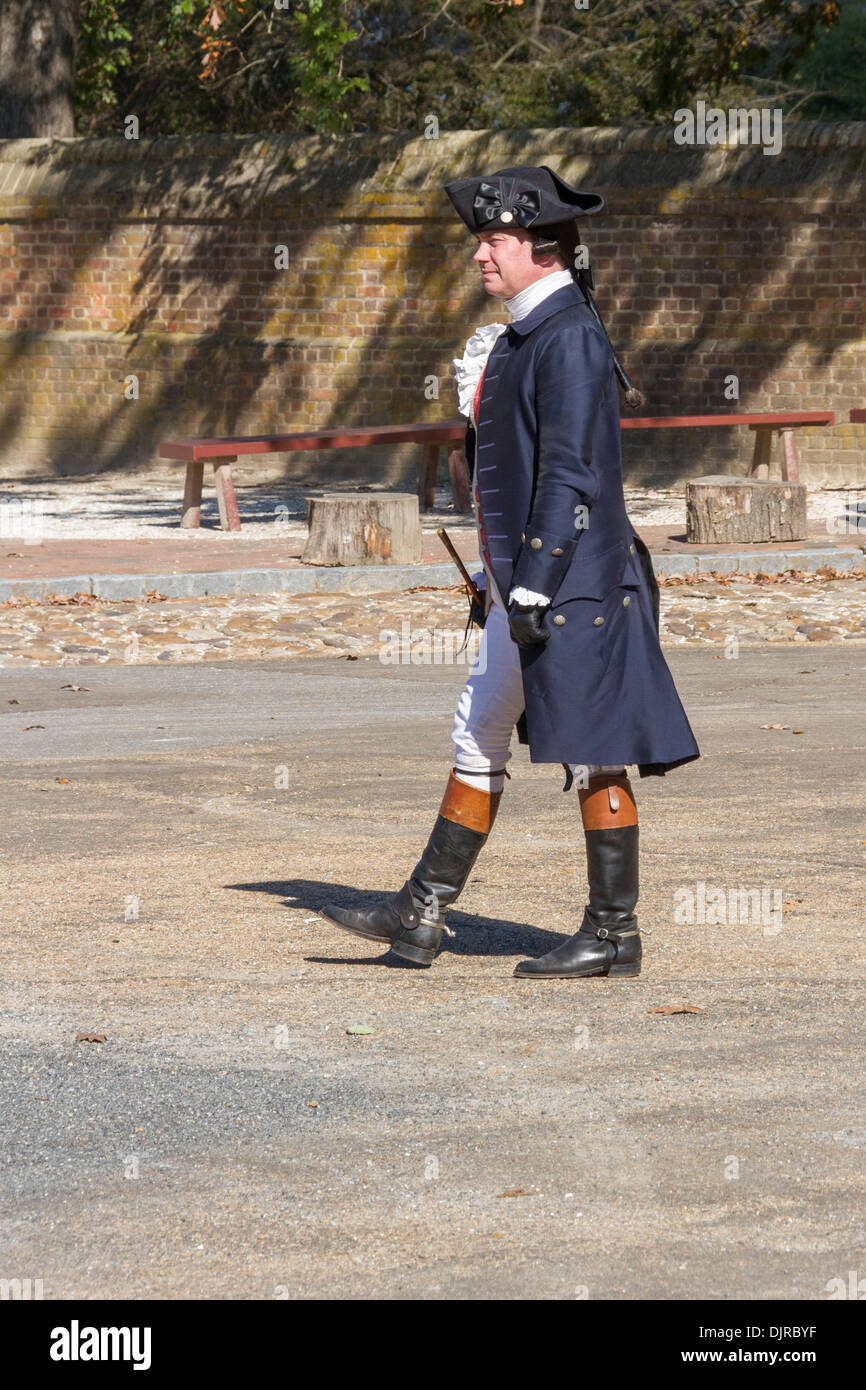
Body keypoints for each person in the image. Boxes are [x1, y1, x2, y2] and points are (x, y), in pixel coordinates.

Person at [318, 164, 699, 978]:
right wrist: (504, 584)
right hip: (525, 588)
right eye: (482, 242)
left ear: (544, 249)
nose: (480, 257)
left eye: (494, 242)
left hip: (571, 586)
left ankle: (612, 932)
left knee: (595, 752)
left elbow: (570, 472)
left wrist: (532, 582)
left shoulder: (568, 337)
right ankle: (420, 914)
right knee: (479, 728)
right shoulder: (528, 334)